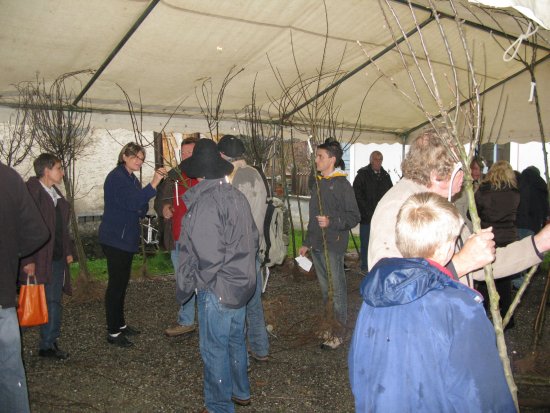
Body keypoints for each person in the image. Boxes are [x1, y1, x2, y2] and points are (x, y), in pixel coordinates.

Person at [349, 192, 515, 412]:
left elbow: (357, 368)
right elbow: (483, 396)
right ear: (446, 248)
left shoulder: (373, 299)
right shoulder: (459, 307)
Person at [368, 129, 550, 288]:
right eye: (461, 168)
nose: (467, 175)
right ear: (436, 175)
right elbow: (387, 285)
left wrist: (539, 243)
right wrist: (460, 263)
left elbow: (481, 262)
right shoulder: (397, 207)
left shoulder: (441, 202)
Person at [176, 138, 258, 412]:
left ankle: (219, 407)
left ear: (197, 171)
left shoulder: (206, 203)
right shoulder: (236, 195)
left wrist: (193, 284)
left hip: (219, 289)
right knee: (235, 341)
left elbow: (208, 258)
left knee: (214, 350)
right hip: (241, 285)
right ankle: (240, 391)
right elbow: (252, 239)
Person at [98, 142, 166, 347]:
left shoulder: (130, 177)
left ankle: (120, 325)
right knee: (116, 286)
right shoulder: (116, 178)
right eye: (136, 157)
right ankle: (113, 332)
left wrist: (140, 200)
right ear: (125, 156)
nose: (139, 161)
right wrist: (153, 183)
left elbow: (141, 205)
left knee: (122, 284)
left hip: (125, 238)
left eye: (141, 158)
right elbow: (134, 203)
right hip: (115, 239)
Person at [298, 138, 360, 350]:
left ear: (332, 160)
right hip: (317, 245)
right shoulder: (318, 183)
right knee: (326, 290)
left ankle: (338, 332)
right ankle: (329, 324)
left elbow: (354, 216)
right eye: (316, 156)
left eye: (320, 156)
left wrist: (332, 222)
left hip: (333, 245)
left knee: (338, 290)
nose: (316, 160)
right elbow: (314, 217)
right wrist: (307, 243)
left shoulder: (342, 185)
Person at [0, 162, 49, 413]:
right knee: (9, 374)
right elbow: (38, 232)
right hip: (4, 297)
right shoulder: (8, 177)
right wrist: (12, 257)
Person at [217, 134, 269, 362]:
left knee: (239, 304)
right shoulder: (256, 173)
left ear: (223, 156)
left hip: (241, 249)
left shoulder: (238, 180)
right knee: (254, 301)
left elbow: (233, 219)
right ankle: (260, 349)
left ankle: (242, 358)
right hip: (255, 246)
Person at [20, 154, 73, 360]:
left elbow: (61, 229)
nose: (62, 172)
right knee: (31, 303)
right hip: (38, 258)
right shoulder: (31, 194)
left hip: (56, 258)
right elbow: (24, 229)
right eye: (59, 168)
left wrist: (68, 251)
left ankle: (48, 344)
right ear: (46, 171)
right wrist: (28, 260)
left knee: (53, 301)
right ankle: (11, 342)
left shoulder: (54, 194)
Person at [154, 135, 199, 337]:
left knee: (205, 280)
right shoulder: (174, 176)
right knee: (183, 281)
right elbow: (159, 200)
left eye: (191, 152)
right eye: (184, 153)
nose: (187, 156)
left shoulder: (204, 176)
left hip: (200, 240)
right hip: (178, 238)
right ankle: (186, 320)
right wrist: (163, 207)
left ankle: (209, 319)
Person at [475, 160, 520, 320]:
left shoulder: (482, 191)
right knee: (505, 278)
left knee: (486, 275)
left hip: (489, 236)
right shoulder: (515, 193)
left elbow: (471, 213)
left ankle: (481, 313)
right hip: (509, 238)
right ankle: (507, 314)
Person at [352, 150, 393, 274]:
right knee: (366, 242)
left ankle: (378, 266)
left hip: (381, 218)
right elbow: (357, 195)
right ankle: (365, 266)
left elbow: (390, 195)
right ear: (371, 160)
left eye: (380, 159)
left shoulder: (385, 176)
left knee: (381, 243)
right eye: (375, 159)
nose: (378, 162)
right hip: (367, 217)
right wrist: (367, 212)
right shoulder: (362, 175)